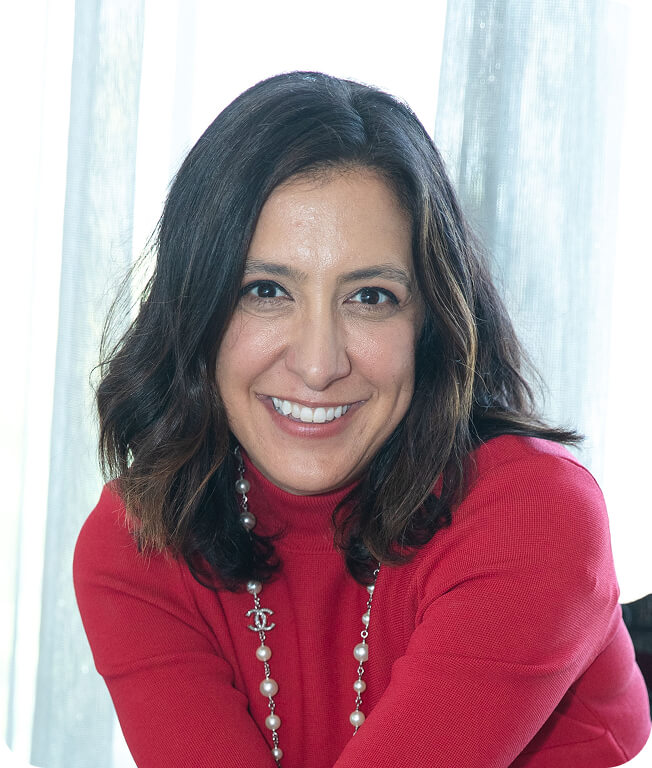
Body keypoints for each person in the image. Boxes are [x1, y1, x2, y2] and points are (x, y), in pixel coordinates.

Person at [73, 71, 651, 768]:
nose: (318, 364)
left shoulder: (534, 516)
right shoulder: (137, 543)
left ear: (430, 320)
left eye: (371, 297)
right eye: (265, 290)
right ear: (196, 310)